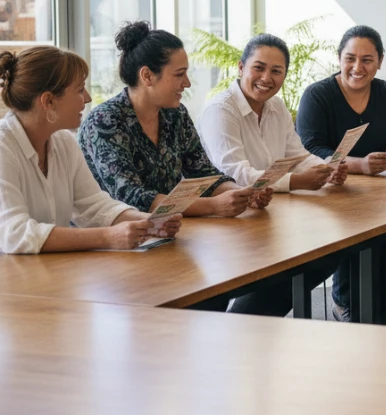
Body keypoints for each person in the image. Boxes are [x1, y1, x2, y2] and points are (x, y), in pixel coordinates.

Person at [78, 22, 273, 313]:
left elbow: (203, 171)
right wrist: (214, 207)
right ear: (147, 76)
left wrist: (240, 193)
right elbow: (132, 196)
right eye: (180, 74)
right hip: (117, 252)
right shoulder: (105, 122)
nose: (188, 84)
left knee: (222, 286)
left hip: (169, 239)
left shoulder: (175, 114)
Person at [197, 33, 347, 316]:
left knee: (327, 252)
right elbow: (237, 174)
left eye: (276, 71)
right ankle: (246, 324)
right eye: (259, 67)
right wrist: (299, 181)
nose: (266, 77)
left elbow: (297, 154)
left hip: (268, 214)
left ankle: (250, 322)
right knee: (303, 259)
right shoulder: (220, 110)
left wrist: (325, 168)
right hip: (226, 221)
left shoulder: (276, 106)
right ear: (241, 68)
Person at [295, 25, 386, 325]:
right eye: (350, 58)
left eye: (367, 59)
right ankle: (346, 303)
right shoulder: (317, 95)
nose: (358, 67)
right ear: (339, 58)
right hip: (330, 190)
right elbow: (309, 148)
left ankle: (381, 303)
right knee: (354, 228)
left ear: (380, 61)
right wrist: (359, 165)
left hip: (385, 190)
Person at [0, 47, 182, 253]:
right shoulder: (3, 147)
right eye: (79, 90)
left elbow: (95, 207)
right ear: (48, 101)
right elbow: (15, 234)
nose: (87, 98)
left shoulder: (64, 142)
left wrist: (149, 222)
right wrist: (108, 236)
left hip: (52, 275)